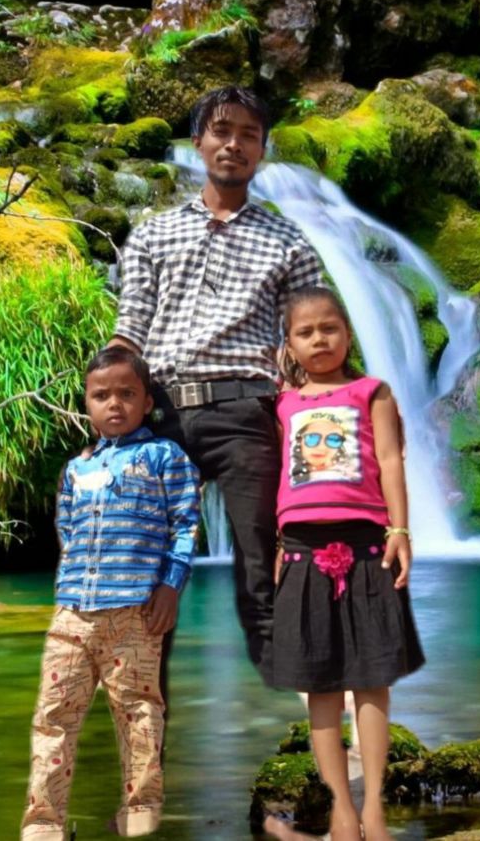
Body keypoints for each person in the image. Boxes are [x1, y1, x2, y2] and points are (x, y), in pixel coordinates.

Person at [107, 85, 323, 688]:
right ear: (199, 142)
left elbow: (311, 342)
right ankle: (145, 735)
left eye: (248, 135)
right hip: (162, 415)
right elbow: (131, 326)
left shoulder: (289, 243)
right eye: (222, 131)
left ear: (262, 150)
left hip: (247, 413)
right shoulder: (153, 235)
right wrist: (110, 409)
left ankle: (315, 720)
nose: (234, 144)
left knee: (264, 570)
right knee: (144, 574)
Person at [21, 346, 200, 841]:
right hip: (73, 613)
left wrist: (170, 586)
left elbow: (185, 525)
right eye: (102, 395)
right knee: (53, 715)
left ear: (147, 402)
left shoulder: (165, 457)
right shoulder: (75, 469)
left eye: (127, 393)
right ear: (87, 403)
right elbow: (67, 530)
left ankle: (141, 810)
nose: (114, 403)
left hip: (135, 612)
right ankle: (44, 821)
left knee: (139, 713)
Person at [271, 286, 425, 841]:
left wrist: (400, 530)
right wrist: (276, 545)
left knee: (372, 680)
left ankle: (375, 805)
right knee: (320, 685)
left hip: (367, 548)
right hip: (301, 551)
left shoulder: (371, 392)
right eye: (305, 332)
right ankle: (340, 806)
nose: (319, 339)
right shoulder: (283, 404)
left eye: (329, 328)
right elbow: (278, 477)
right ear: (289, 345)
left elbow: (390, 460)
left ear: (349, 333)